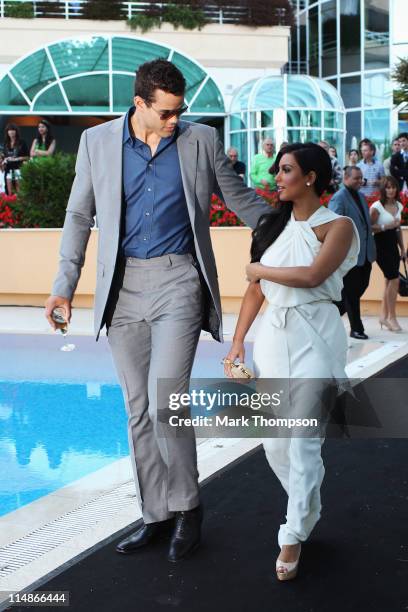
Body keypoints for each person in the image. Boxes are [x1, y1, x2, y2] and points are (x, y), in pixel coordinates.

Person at [45, 59, 272, 562]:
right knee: (138, 410)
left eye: (180, 111)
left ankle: (189, 507)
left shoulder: (199, 141)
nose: (176, 120)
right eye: (166, 112)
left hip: (178, 281)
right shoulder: (97, 143)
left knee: (167, 400)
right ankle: (156, 514)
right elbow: (79, 214)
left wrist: (297, 223)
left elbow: (236, 196)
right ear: (140, 103)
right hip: (122, 288)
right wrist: (63, 287)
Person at [223, 142, 359, 581]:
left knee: (302, 440)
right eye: (278, 170)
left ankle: (292, 533)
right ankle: (308, 505)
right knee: (275, 442)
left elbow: (313, 276)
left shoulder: (338, 226)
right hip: (272, 340)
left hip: (316, 338)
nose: (276, 177)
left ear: (311, 177)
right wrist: (238, 342)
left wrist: (260, 269)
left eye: (285, 170)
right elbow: (254, 292)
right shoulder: (271, 225)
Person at [328, 166, 376, 339]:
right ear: (346, 178)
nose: (360, 181)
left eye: (361, 178)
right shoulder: (338, 198)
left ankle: (329, 318)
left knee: (357, 289)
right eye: (356, 178)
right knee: (352, 293)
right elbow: (333, 226)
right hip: (349, 255)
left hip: (366, 253)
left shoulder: (361, 196)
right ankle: (357, 329)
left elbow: (365, 224)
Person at [369, 176, 406, 332]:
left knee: (389, 282)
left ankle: (383, 317)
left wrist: (403, 249)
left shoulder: (399, 205)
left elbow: (397, 229)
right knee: (394, 279)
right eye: (388, 187)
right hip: (380, 246)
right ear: (383, 189)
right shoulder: (377, 207)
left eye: (393, 187)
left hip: (393, 246)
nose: (391, 190)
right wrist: (386, 226)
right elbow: (370, 227)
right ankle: (392, 317)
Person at [2, 123, 29, 194]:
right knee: (9, 191)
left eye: (13, 130)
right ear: (7, 132)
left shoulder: (22, 142)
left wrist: (17, 159)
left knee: (19, 190)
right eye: (9, 130)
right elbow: (4, 156)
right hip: (8, 169)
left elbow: (27, 156)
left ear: (16, 131)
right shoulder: (6, 143)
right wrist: (5, 160)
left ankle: (19, 204)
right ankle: (9, 204)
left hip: (19, 168)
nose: (11, 132)